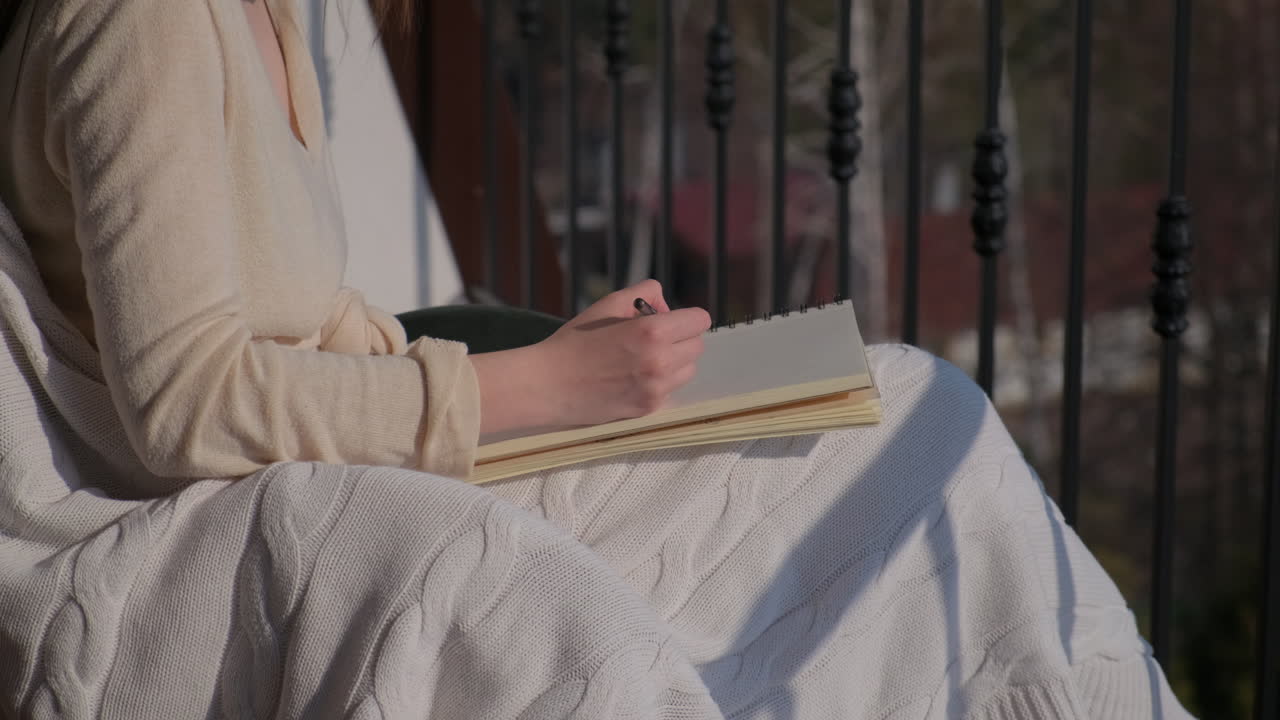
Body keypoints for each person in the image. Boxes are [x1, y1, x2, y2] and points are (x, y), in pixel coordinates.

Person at [0, 0, 1193, 717]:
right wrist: (534, 388)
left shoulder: (263, 18)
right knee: (504, 593)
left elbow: (297, 327)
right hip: (198, 527)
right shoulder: (139, 20)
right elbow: (184, 403)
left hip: (357, 452)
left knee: (906, 406)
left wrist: (563, 364)